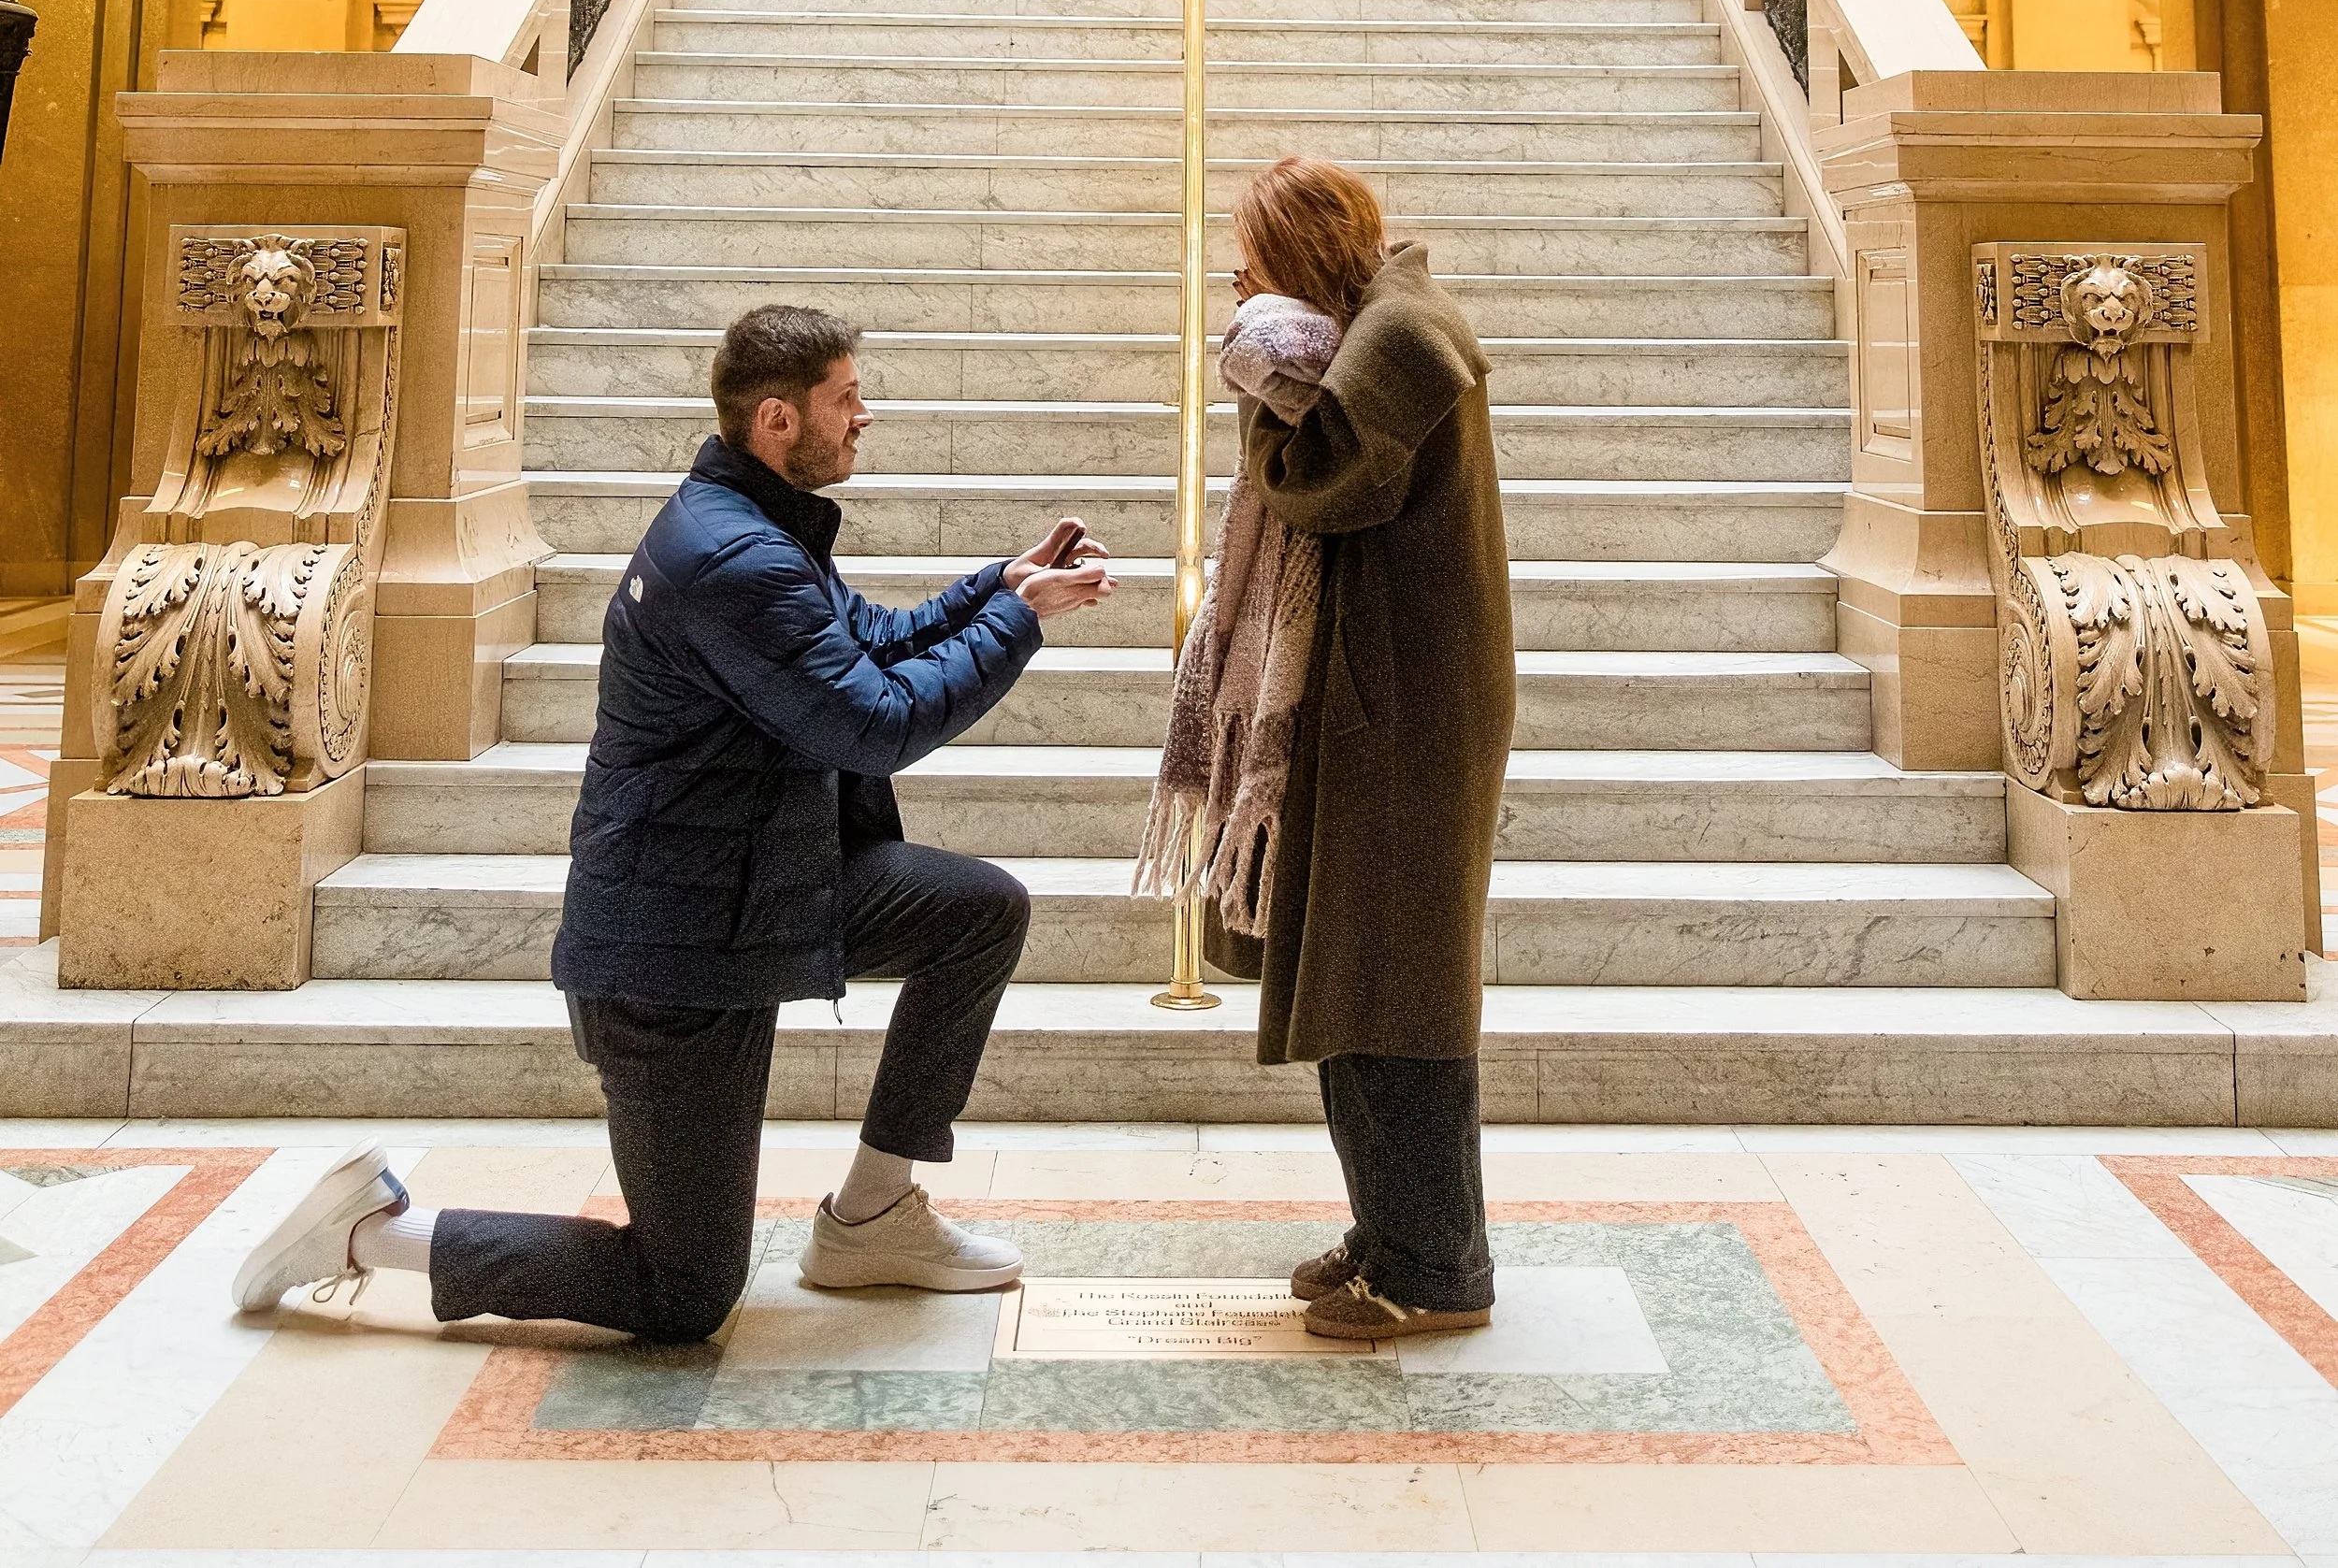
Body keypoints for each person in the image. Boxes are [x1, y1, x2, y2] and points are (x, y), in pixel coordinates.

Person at [232, 303, 1113, 1334]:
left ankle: (873, 1216)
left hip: (759, 889)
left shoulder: (750, 523)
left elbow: (863, 640)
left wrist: (995, 586)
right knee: (683, 1289)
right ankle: (371, 1234)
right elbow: (875, 724)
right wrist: (1016, 622)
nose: (865, 416)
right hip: (671, 951)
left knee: (975, 911)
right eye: (846, 398)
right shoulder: (734, 560)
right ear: (778, 419)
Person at [1208, 158, 1514, 1342]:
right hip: (1384, 694)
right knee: (1356, 972)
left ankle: (1435, 1268)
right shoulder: (1384, 322)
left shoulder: (1398, 338)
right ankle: (1390, 1230)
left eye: (1253, 261)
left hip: (1405, 709)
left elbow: (1317, 477)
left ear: (1299, 251)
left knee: (1394, 986)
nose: (1242, 283)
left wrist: (1257, 374)